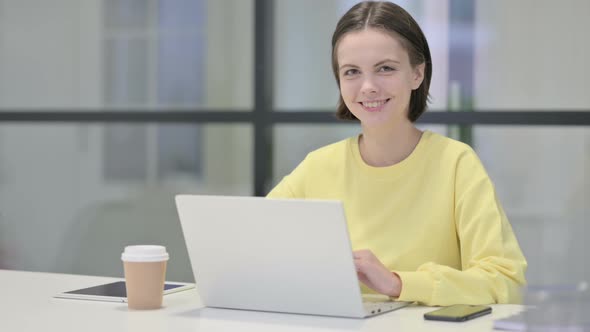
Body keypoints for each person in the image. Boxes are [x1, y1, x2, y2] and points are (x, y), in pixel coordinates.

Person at [267, 1, 527, 306]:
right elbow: (254, 245)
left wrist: (398, 283)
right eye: (352, 72)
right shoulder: (318, 166)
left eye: (385, 68)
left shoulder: (456, 163)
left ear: (417, 74)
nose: (368, 87)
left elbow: (505, 282)